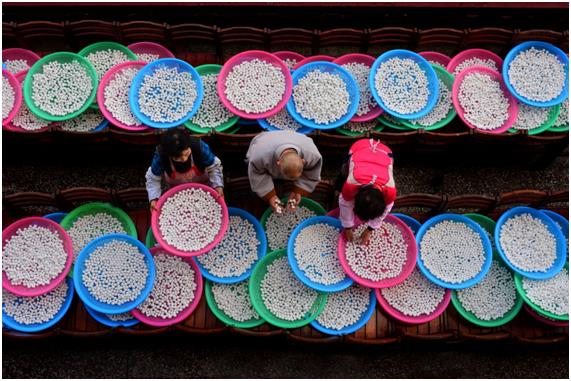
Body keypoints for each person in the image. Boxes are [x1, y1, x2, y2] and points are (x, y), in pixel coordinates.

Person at [145, 127, 224, 212]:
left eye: (186, 153)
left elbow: (214, 167)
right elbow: (153, 178)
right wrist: (154, 198)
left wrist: (218, 186)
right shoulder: (161, 154)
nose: (184, 159)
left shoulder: (198, 146)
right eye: (177, 157)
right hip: (177, 190)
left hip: (204, 185)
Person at [336, 138, 396, 245]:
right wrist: (348, 227)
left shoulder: (390, 191)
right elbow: (345, 203)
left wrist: (370, 229)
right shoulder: (351, 184)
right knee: (344, 172)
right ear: (355, 197)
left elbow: (385, 211)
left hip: (384, 153)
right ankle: (336, 187)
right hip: (359, 148)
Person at [246, 130, 323, 213]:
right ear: (278, 163)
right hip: (266, 139)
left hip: (297, 138)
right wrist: (270, 196)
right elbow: (257, 174)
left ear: (303, 162)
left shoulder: (311, 154)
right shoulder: (260, 156)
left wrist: (299, 191)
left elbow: (312, 174)